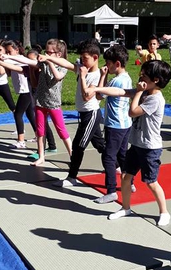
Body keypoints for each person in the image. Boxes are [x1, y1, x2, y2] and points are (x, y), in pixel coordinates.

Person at [89, 60, 171, 226]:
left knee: (151, 182)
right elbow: (120, 91)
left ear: (155, 80)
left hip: (150, 148)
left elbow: (132, 112)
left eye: (144, 74)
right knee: (126, 177)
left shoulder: (154, 99)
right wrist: (97, 89)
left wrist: (138, 93)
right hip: (136, 145)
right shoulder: (145, 92)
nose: (140, 76)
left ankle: (164, 212)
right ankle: (125, 208)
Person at [39, 38, 105, 187]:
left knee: (78, 146)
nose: (82, 61)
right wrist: (49, 57)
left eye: (85, 58)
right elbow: (67, 64)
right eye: (81, 58)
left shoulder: (96, 75)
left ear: (95, 58)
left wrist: (82, 76)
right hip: (83, 114)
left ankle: (71, 177)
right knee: (100, 145)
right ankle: (118, 166)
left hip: (91, 114)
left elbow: (87, 96)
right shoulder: (83, 68)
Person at [1, 39, 72, 166]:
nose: (46, 54)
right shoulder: (42, 64)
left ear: (58, 54)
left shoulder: (62, 66)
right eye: (46, 52)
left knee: (61, 131)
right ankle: (41, 157)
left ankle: (72, 155)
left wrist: (49, 61)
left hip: (54, 103)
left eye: (50, 52)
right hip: (40, 102)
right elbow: (27, 61)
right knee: (40, 131)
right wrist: (7, 57)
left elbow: (57, 77)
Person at [86, 45, 133, 204]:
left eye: (108, 63)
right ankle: (129, 182)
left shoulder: (116, 81)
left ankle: (111, 191)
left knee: (108, 157)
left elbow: (98, 95)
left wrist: (102, 76)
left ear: (117, 64)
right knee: (122, 154)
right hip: (126, 123)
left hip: (115, 124)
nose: (106, 66)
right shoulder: (127, 77)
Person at [0, 40, 37, 149]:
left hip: (26, 91)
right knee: (30, 114)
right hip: (25, 91)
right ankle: (38, 135)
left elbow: (11, 63)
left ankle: (21, 141)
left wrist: (0, 60)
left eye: (9, 51)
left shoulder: (20, 59)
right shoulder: (12, 59)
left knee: (18, 114)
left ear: (17, 50)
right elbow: (8, 74)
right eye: (6, 51)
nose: (7, 54)